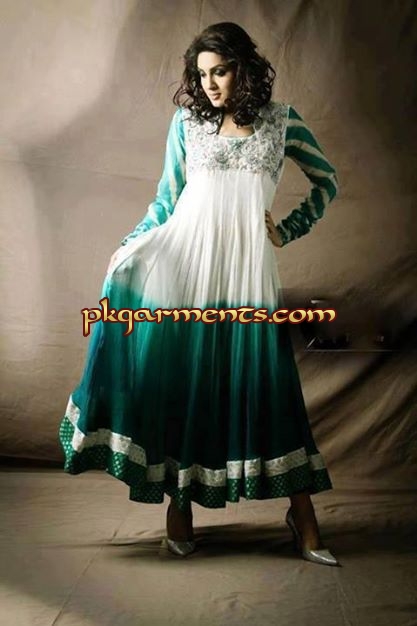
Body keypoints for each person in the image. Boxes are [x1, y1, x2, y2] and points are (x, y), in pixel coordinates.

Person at [59, 22, 340, 566]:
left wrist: (287, 229)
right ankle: (180, 506)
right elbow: (168, 199)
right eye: (202, 74)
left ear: (244, 68)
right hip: (187, 270)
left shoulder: (282, 122)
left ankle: (303, 517)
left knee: (267, 388)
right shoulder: (187, 123)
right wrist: (131, 245)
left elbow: (326, 180)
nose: (210, 84)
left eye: (221, 71)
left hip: (246, 275)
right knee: (186, 385)